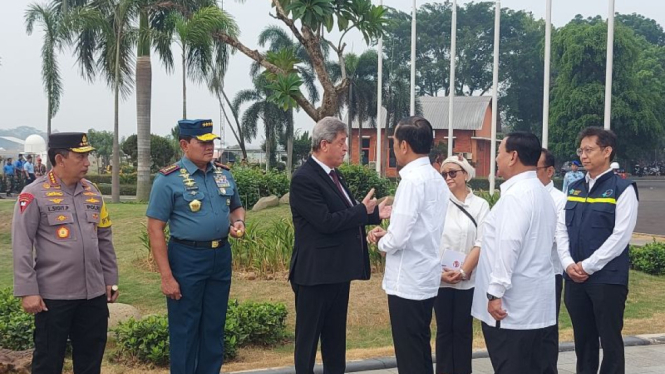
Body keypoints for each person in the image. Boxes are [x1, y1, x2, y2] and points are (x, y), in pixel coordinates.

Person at [289, 117, 390, 374]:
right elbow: (325, 222)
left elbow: (346, 215)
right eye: (342, 142)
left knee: (335, 339)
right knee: (308, 340)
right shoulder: (304, 179)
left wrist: (374, 214)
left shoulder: (335, 175)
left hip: (337, 272)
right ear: (324, 144)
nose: (346, 148)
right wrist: (361, 211)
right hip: (315, 274)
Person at [12, 132, 118, 374]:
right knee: (48, 362)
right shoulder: (33, 194)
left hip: (93, 295)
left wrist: (110, 279)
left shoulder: (92, 192)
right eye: (80, 156)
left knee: (90, 362)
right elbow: (21, 245)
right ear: (60, 159)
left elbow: (104, 238)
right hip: (53, 297)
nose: (87, 162)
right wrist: (28, 291)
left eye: (87, 156)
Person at [146, 119, 245, 374]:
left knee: (214, 326)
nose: (209, 147)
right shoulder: (168, 180)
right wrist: (166, 276)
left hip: (220, 256)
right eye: (202, 142)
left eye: (211, 141)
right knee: (185, 329)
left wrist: (239, 223)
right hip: (187, 257)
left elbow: (236, 207)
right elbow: (155, 228)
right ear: (184, 144)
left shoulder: (223, 174)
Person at [368, 116, 449, 374]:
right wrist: (391, 236)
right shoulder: (436, 178)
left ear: (404, 146)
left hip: (408, 281)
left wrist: (382, 241)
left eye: (393, 142)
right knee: (420, 349)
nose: (393, 148)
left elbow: (400, 237)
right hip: (425, 276)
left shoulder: (411, 181)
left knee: (410, 356)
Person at [471, 132, 557, 374]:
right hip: (536, 306)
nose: (496, 158)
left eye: (499, 152)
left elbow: (508, 245)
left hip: (512, 310)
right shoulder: (541, 193)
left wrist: (495, 293)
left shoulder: (517, 197)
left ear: (513, 157)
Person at [557, 127, 639, 374]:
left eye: (589, 150)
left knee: (610, 341)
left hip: (607, 279)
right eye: (581, 150)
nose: (583, 155)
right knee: (584, 341)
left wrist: (588, 265)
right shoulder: (574, 188)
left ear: (607, 151)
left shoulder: (623, 189)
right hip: (574, 278)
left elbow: (620, 237)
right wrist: (568, 262)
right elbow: (561, 230)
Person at [434, 154, 490, 374]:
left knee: (463, 330)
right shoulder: (439, 203)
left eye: (452, 173)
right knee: (444, 330)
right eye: (444, 174)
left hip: (468, 278)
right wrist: (440, 271)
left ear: (465, 175)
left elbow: (482, 240)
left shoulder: (480, 205)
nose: (448, 177)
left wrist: (464, 270)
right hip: (442, 277)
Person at [536, 148, 568, 374]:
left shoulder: (559, 200)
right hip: (522, 276)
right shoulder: (521, 195)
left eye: (535, 169)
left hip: (549, 274)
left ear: (550, 171)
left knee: (547, 329)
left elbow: (558, 237)